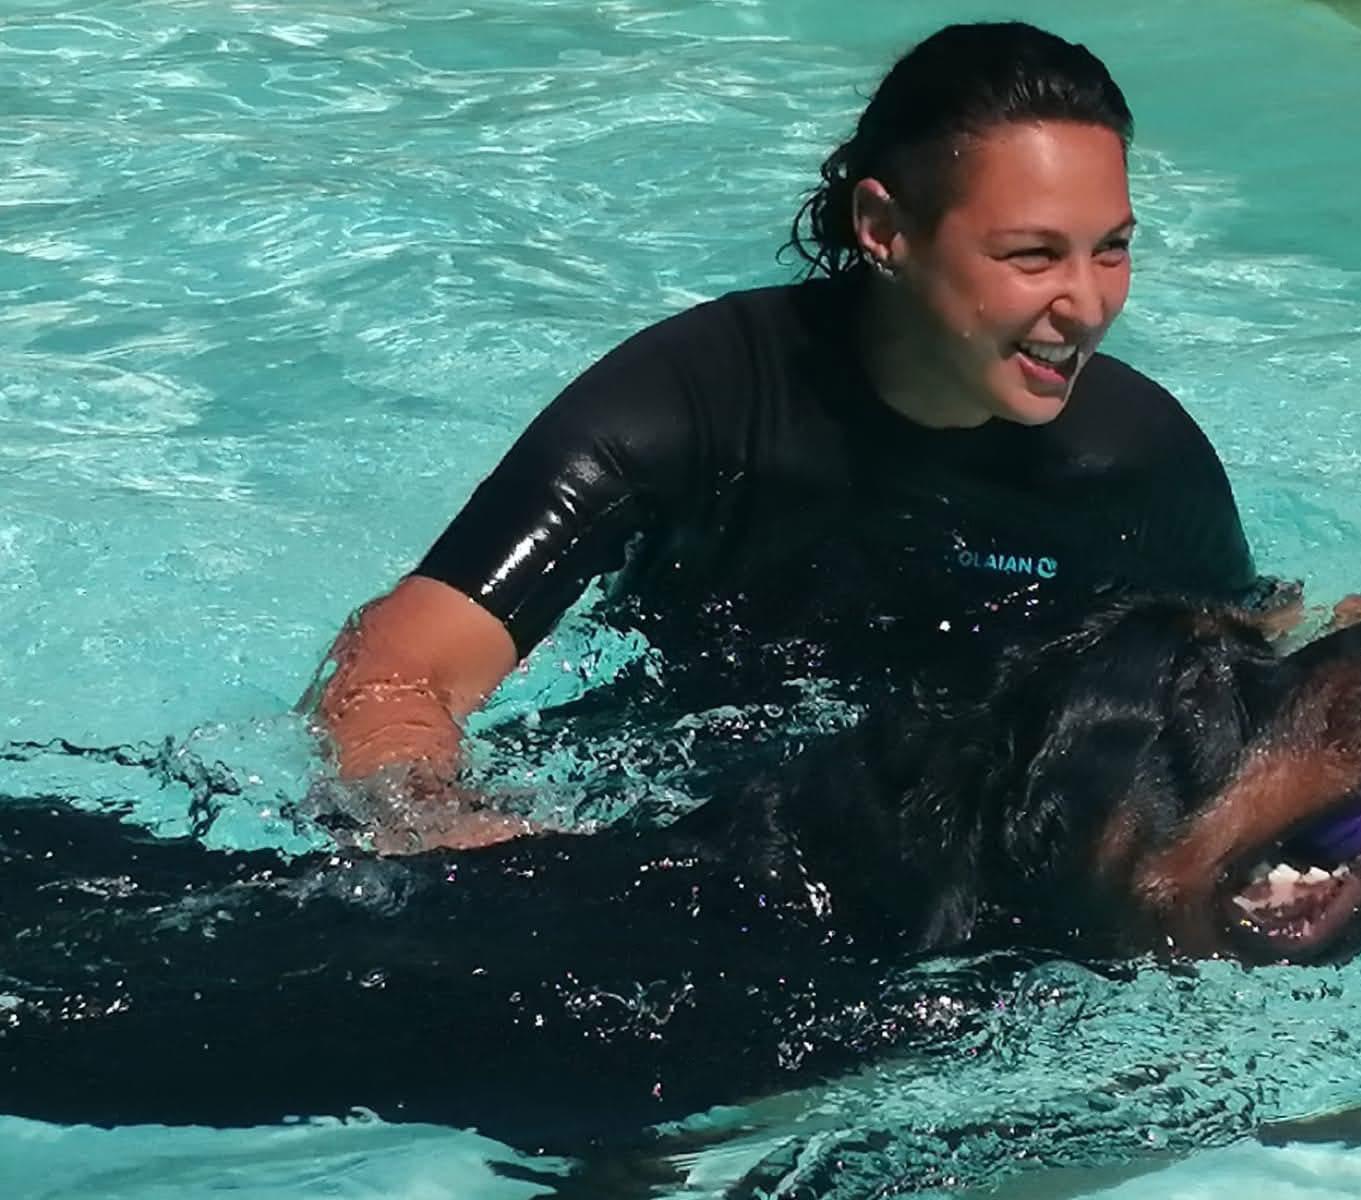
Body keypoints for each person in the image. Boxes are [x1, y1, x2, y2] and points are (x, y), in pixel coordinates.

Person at [311, 21, 1261, 846]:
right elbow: (396, 668)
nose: (1088, 304)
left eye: (1113, 248)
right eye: (1032, 255)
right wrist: (445, 821)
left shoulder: (1133, 461)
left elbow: (1250, 669)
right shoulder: (693, 403)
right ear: (884, 226)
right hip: (669, 815)